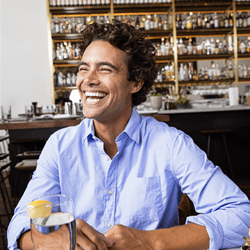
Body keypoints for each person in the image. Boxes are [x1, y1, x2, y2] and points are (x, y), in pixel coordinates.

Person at [7, 19, 250, 250]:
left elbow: (242, 216)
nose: (88, 80)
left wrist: (151, 242)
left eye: (104, 69)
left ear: (136, 82)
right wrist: (53, 242)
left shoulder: (170, 144)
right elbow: (20, 223)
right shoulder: (59, 146)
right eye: (83, 69)